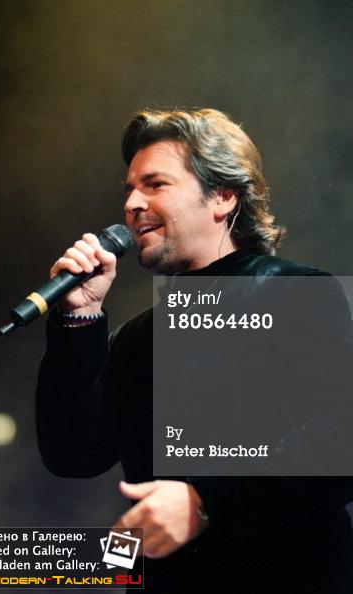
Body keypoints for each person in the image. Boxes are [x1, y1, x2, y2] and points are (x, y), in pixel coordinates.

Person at [36, 109, 353, 593]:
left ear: (222, 195)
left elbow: (341, 440)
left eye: (155, 184)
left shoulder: (290, 292)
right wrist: (79, 320)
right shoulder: (140, 336)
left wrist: (204, 499)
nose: (132, 204)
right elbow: (72, 454)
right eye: (129, 190)